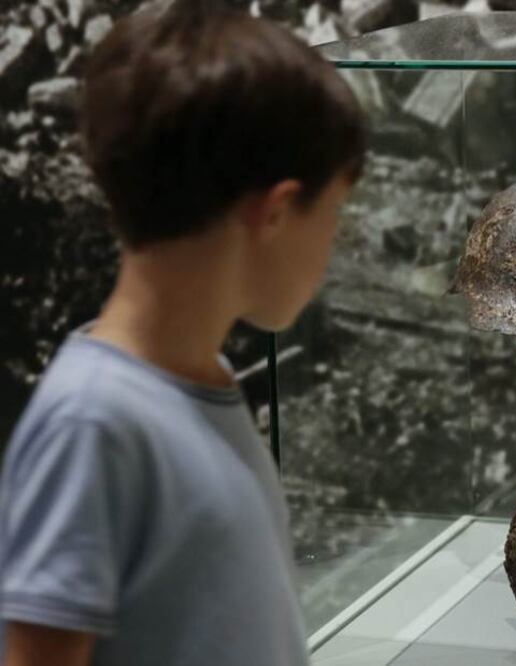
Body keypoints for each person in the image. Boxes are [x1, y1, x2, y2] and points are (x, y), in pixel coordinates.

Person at [0, 0, 366, 664]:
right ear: (278, 211)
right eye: (335, 213)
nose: (335, 242)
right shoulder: (93, 423)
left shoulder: (206, 381)